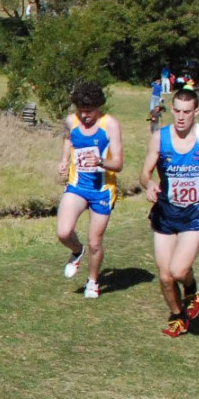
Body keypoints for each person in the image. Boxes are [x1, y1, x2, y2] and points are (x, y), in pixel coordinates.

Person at [141, 86, 199, 338]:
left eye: (187, 112)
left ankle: (192, 290)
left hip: (195, 214)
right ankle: (178, 315)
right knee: (164, 276)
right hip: (165, 212)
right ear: (172, 110)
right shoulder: (160, 138)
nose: (181, 117)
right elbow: (144, 173)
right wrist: (149, 184)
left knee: (179, 271)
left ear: (197, 111)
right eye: (177, 111)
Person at [54, 80, 122, 299]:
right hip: (77, 185)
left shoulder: (110, 125)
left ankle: (92, 281)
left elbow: (119, 163)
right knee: (63, 232)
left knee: (95, 242)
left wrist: (100, 161)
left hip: (102, 190)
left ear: (99, 107)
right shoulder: (70, 122)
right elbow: (68, 140)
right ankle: (76, 251)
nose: (85, 116)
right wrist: (64, 160)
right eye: (81, 111)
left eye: (90, 112)